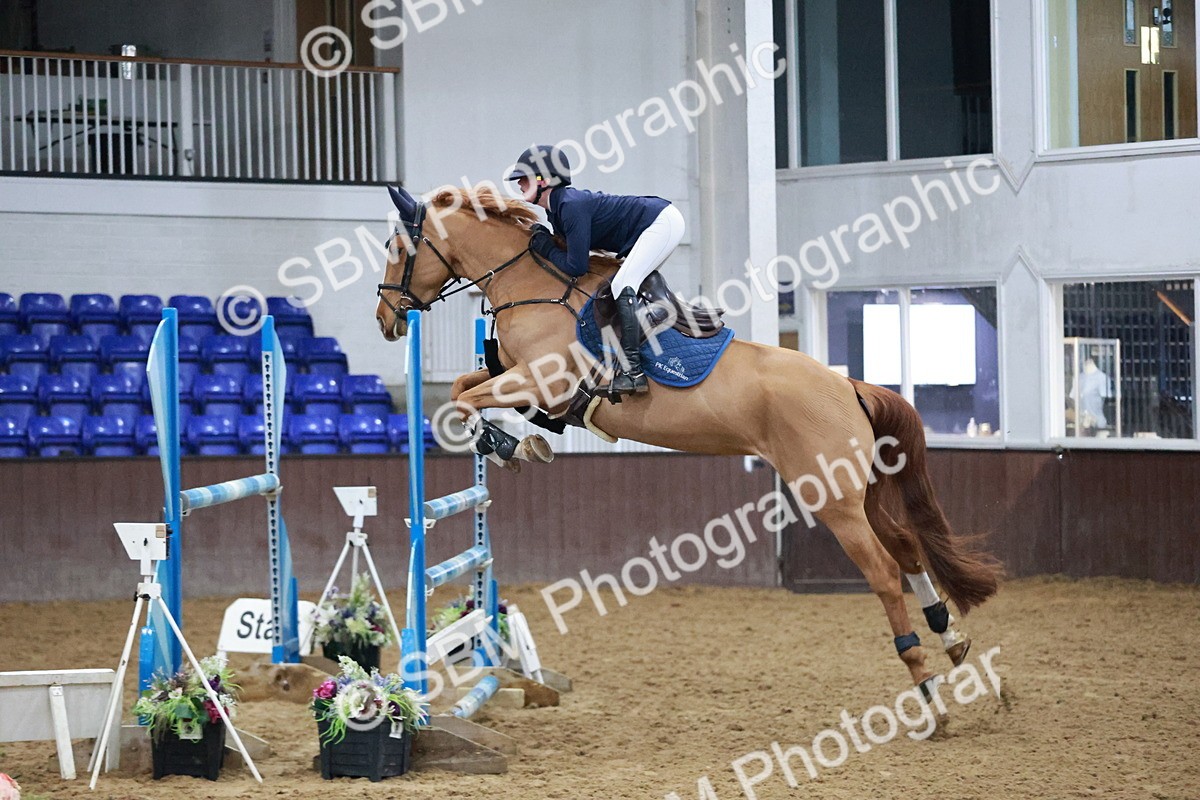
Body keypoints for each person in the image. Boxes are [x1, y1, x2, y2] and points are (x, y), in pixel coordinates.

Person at [506, 144, 685, 398]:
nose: (519, 184)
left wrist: (546, 247)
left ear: (543, 180)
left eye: (523, 178)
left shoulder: (570, 206)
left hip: (661, 222)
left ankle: (633, 373)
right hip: (654, 223)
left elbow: (576, 266)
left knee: (622, 285)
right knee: (623, 284)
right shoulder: (556, 211)